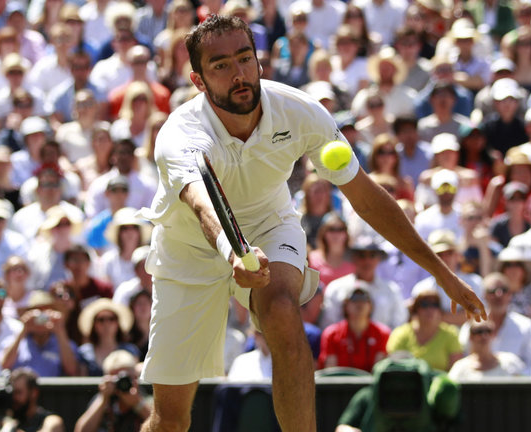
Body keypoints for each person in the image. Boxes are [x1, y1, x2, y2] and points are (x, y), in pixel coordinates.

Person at [138, 16, 485, 432]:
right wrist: (234, 253)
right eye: (221, 65)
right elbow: (202, 203)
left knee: (282, 310)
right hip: (190, 248)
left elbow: (366, 198)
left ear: (259, 62)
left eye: (245, 58)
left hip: (270, 225)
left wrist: (441, 272)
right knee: (171, 420)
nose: (239, 74)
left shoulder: (301, 112)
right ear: (198, 80)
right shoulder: (180, 134)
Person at [0, 367, 65, 432]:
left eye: (19, 392)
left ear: (34, 393)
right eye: (12, 392)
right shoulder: (2, 419)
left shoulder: (50, 420)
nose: (14, 398)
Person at [386, 286, 463, 372]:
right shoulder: (400, 333)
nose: (430, 309)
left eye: (435, 305)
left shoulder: (450, 334)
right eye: (424, 304)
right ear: (416, 309)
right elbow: (393, 365)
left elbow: (455, 370)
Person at [75, 350, 151, 432]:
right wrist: (103, 399)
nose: (122, 382)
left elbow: (159, 424)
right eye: (116, 378)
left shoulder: (143, 395)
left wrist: (138, 404)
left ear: (135, 377)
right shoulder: (103, 398)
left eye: (126, 378)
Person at [318, 287, 390, 372]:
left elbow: (379, 370)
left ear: (371, 306)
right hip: (340, 380)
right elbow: (331, 371)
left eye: (364, 299)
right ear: (345, 306)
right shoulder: (331, 334)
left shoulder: (382, 333)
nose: (359, 303)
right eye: (354, 299)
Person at [77, 298, 139, 377]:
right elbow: (82, 380)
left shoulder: (130, 350)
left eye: (111, 319)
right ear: (94, 325)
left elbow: (135, 377)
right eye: (101, 320)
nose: (106, 324)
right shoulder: (84, 352)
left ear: (118, 323)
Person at [449, 319, 526, 380]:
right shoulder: (460, 368)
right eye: (479, 331)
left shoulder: (511, 362)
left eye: (488, 331)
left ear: (494, 335)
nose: (484, 336)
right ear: (470, 337)